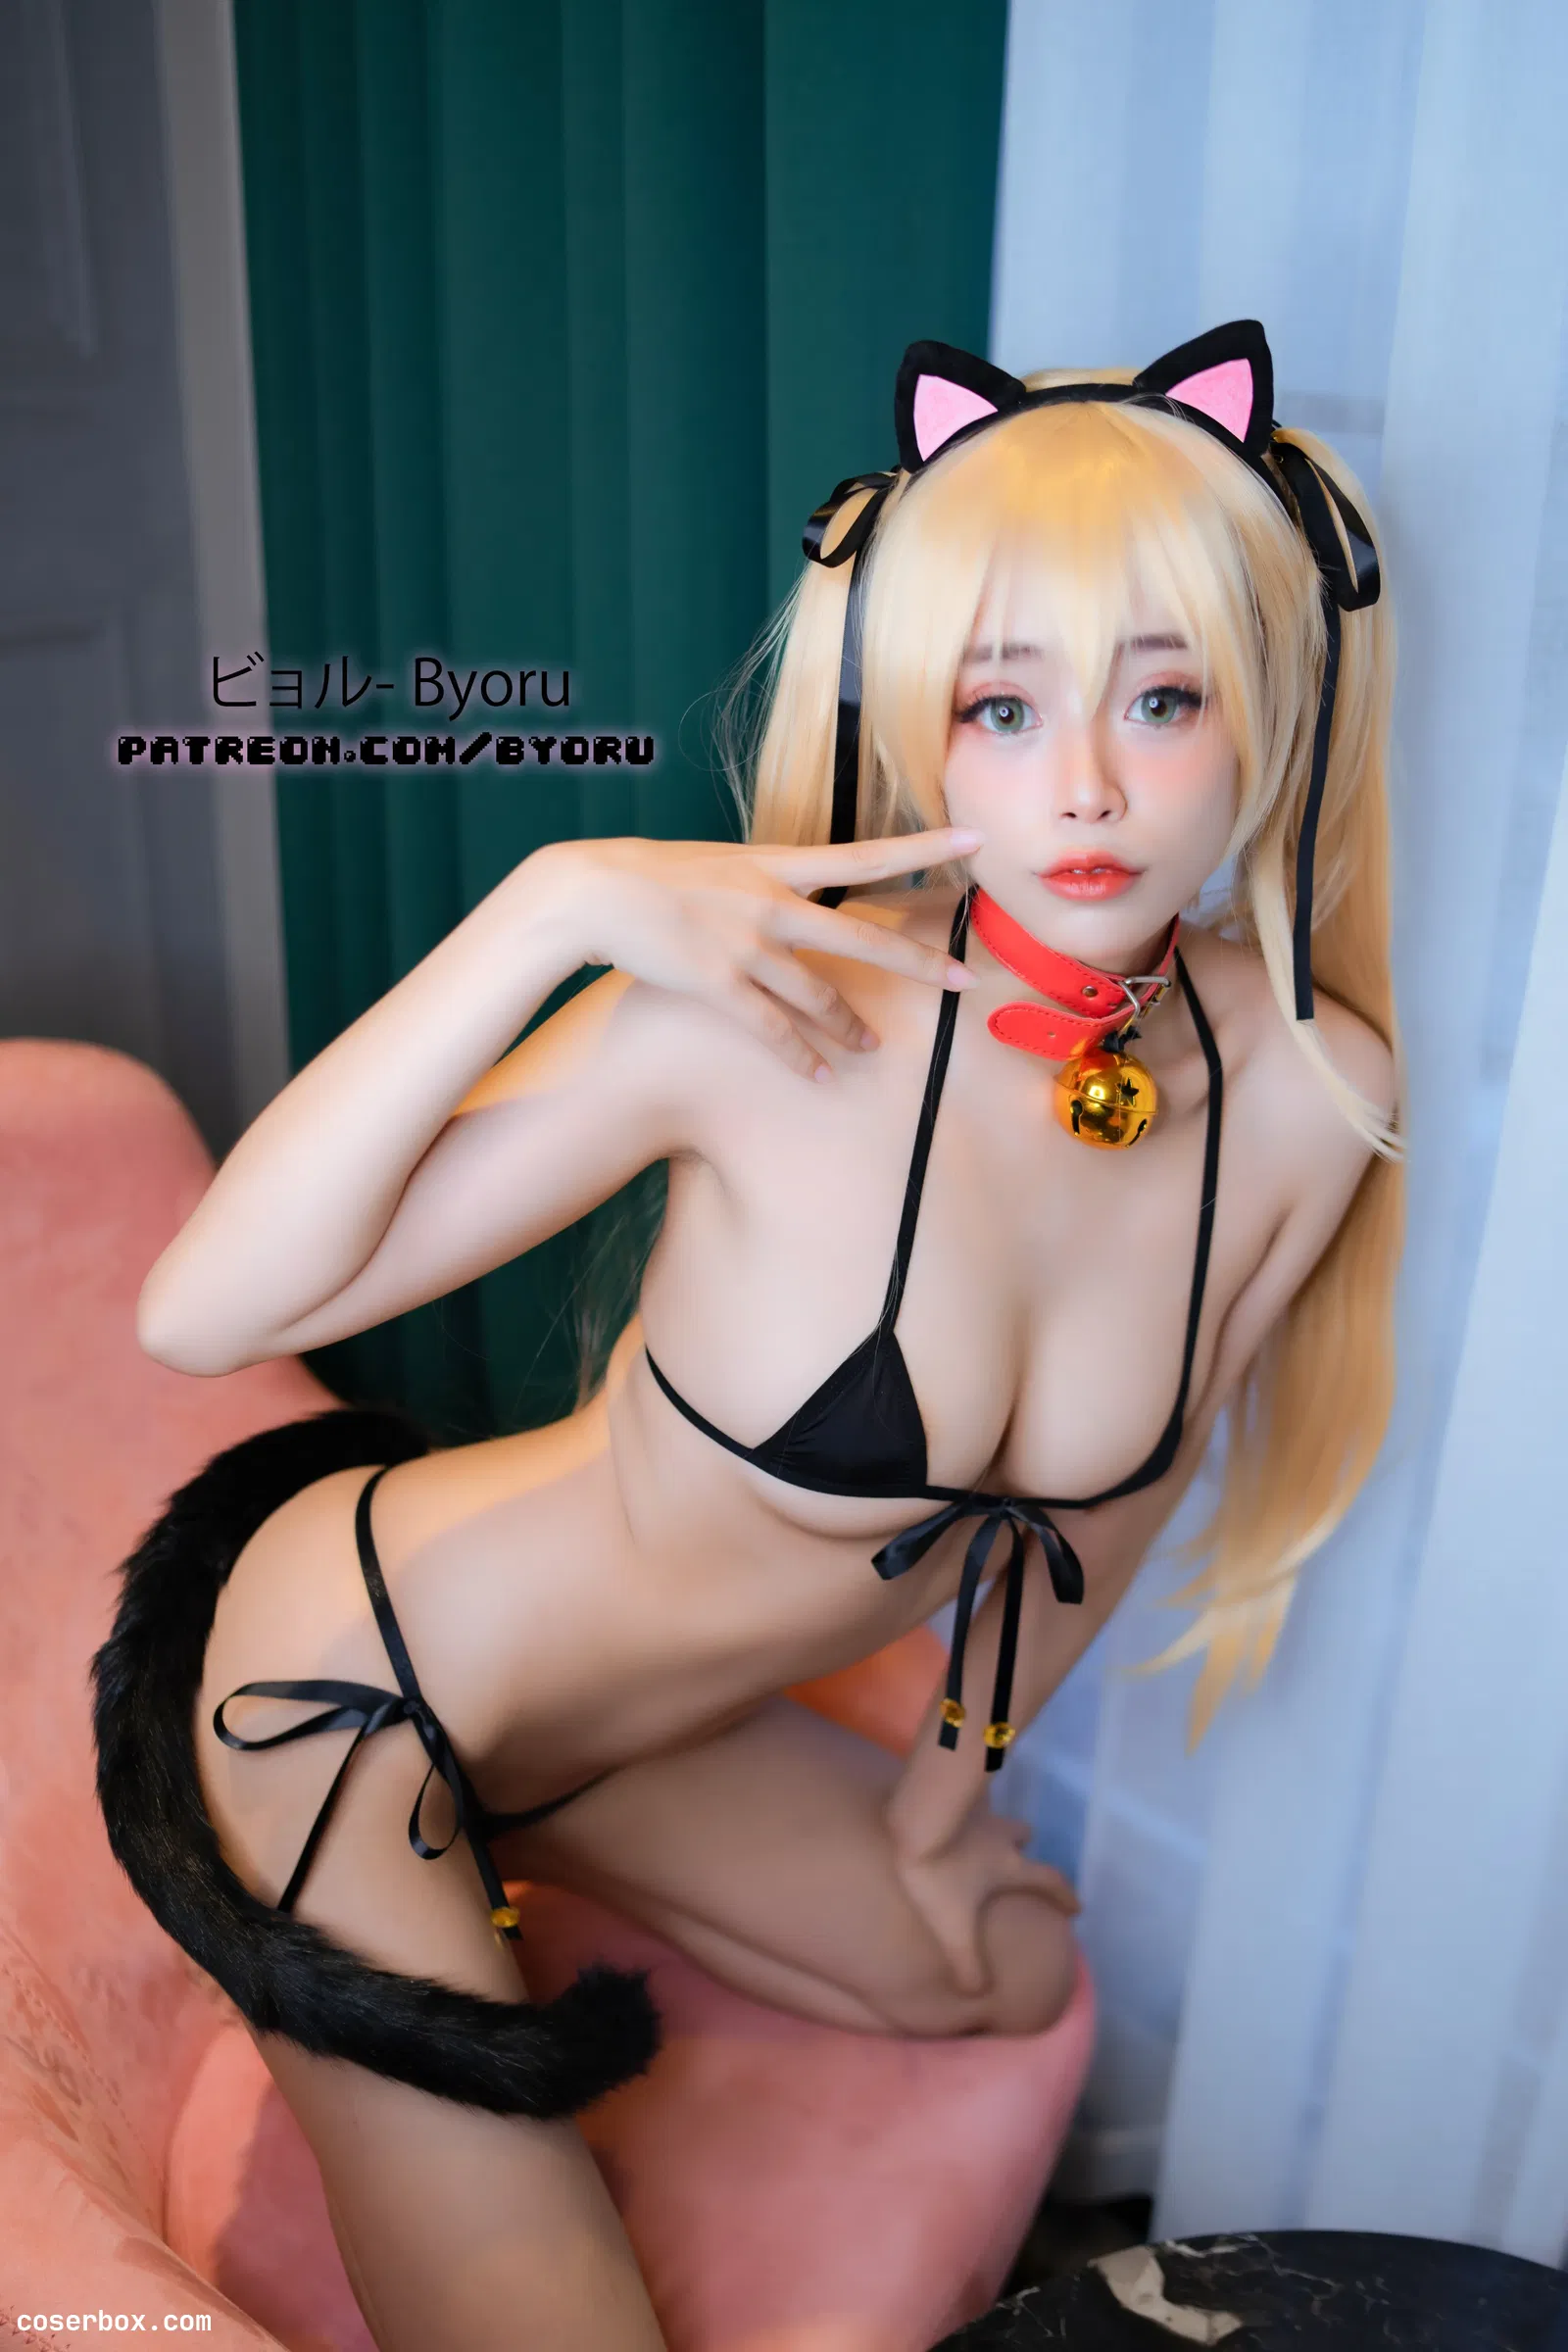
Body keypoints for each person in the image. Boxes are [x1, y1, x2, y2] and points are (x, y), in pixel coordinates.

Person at [94, 321, 1400, 2352]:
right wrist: (547, 909)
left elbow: (1110, 1511)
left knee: (1003, 1969)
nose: (1082, 785)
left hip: (631, 1738)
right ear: (918, 719)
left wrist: (942, 1801)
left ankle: (539, 1820)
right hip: (356, 1681)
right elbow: (203, 1313)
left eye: (1162, 698)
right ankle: (410, 1870)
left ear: (1272, 705)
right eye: (1001, 704)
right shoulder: (768, 1012)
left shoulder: (1306, 1093)